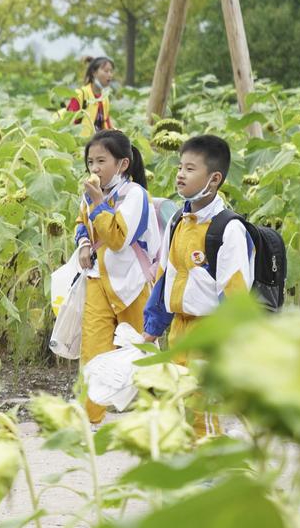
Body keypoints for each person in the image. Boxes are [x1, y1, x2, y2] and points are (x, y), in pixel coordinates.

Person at [144, 134, 253, 439]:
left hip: (209, 333)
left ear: (214, 179)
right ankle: (192, 471)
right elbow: (165, 279)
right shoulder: (179, 220)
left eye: (190, 169)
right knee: (176, 403)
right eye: (180, 167)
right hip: (178, 331)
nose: (180, 174)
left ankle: (208, 473)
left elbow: (234, 293)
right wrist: (151, 329)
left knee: (200, 410)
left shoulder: (227, 229)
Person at [72, 130, 162, 424]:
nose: (94, 168)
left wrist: (98, 204)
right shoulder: (90, 195)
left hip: (133, 283)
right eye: (90, 162)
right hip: (99, 279)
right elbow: (80, 224)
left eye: (101, 161)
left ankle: (155, 414)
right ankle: (91, 419)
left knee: (140, 350)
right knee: (93, 351)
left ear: (123, 164)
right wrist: (84, 243)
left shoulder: (135, 195)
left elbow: (118, 238)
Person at [67, 56, 115, 134]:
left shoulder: (105, 98)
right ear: (94, 73)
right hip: (82, 143)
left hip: (101, 142)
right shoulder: (80, 94)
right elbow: (69, 124)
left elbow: (107, 124)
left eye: (111, 71)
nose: (110, 75)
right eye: (106, 71)